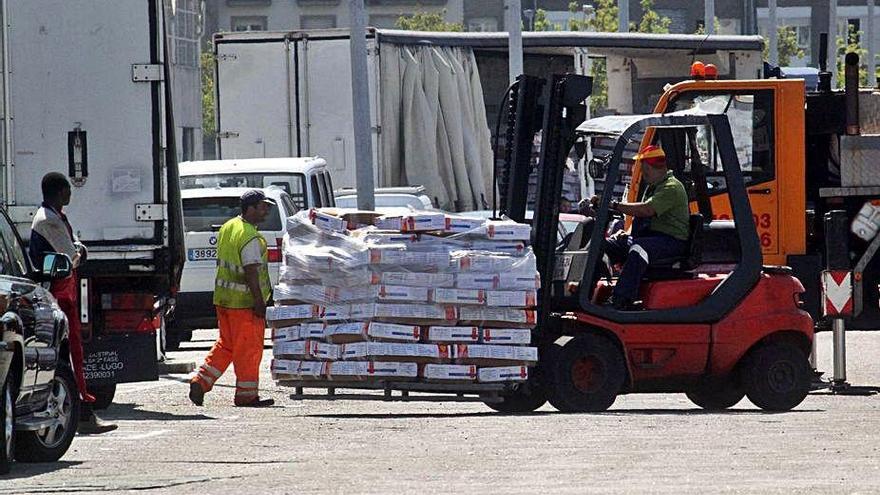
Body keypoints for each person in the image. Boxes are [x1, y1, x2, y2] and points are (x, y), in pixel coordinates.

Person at [30, 172, 118, 434]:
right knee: (72, 355)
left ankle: (81, 413)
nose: (70, 194)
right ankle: (82, 414)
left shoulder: (54, 217)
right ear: (58, 192)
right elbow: (71, 256)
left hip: (63, 293)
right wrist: (79, 251)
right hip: (59, 295)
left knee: (72, 355)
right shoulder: (48, 221)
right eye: (67, 190)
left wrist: (76, 249)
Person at [189, 190, 275, 407]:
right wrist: (259, 301)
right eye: (263, 206)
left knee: (227, 344)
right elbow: (251, 270)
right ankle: (247, 395)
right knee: (249, 349)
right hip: (244, 303)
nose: (266, 211)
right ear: (251, 208)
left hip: (224, 300)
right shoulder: (250, 236)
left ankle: (201, 382)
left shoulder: (229, 227)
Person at [580, 145, 690, 310]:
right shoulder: (653, 187)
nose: (644, 174)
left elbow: (646, 209)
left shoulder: (671, 187)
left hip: (671, 242)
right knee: (602, 245)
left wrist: (614, 205)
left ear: (658, 167)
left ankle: (621, 299)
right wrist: (627, 233)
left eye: (646, 170)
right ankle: (585, 291)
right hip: (652, 238)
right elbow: (641, 217)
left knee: (639, 248)